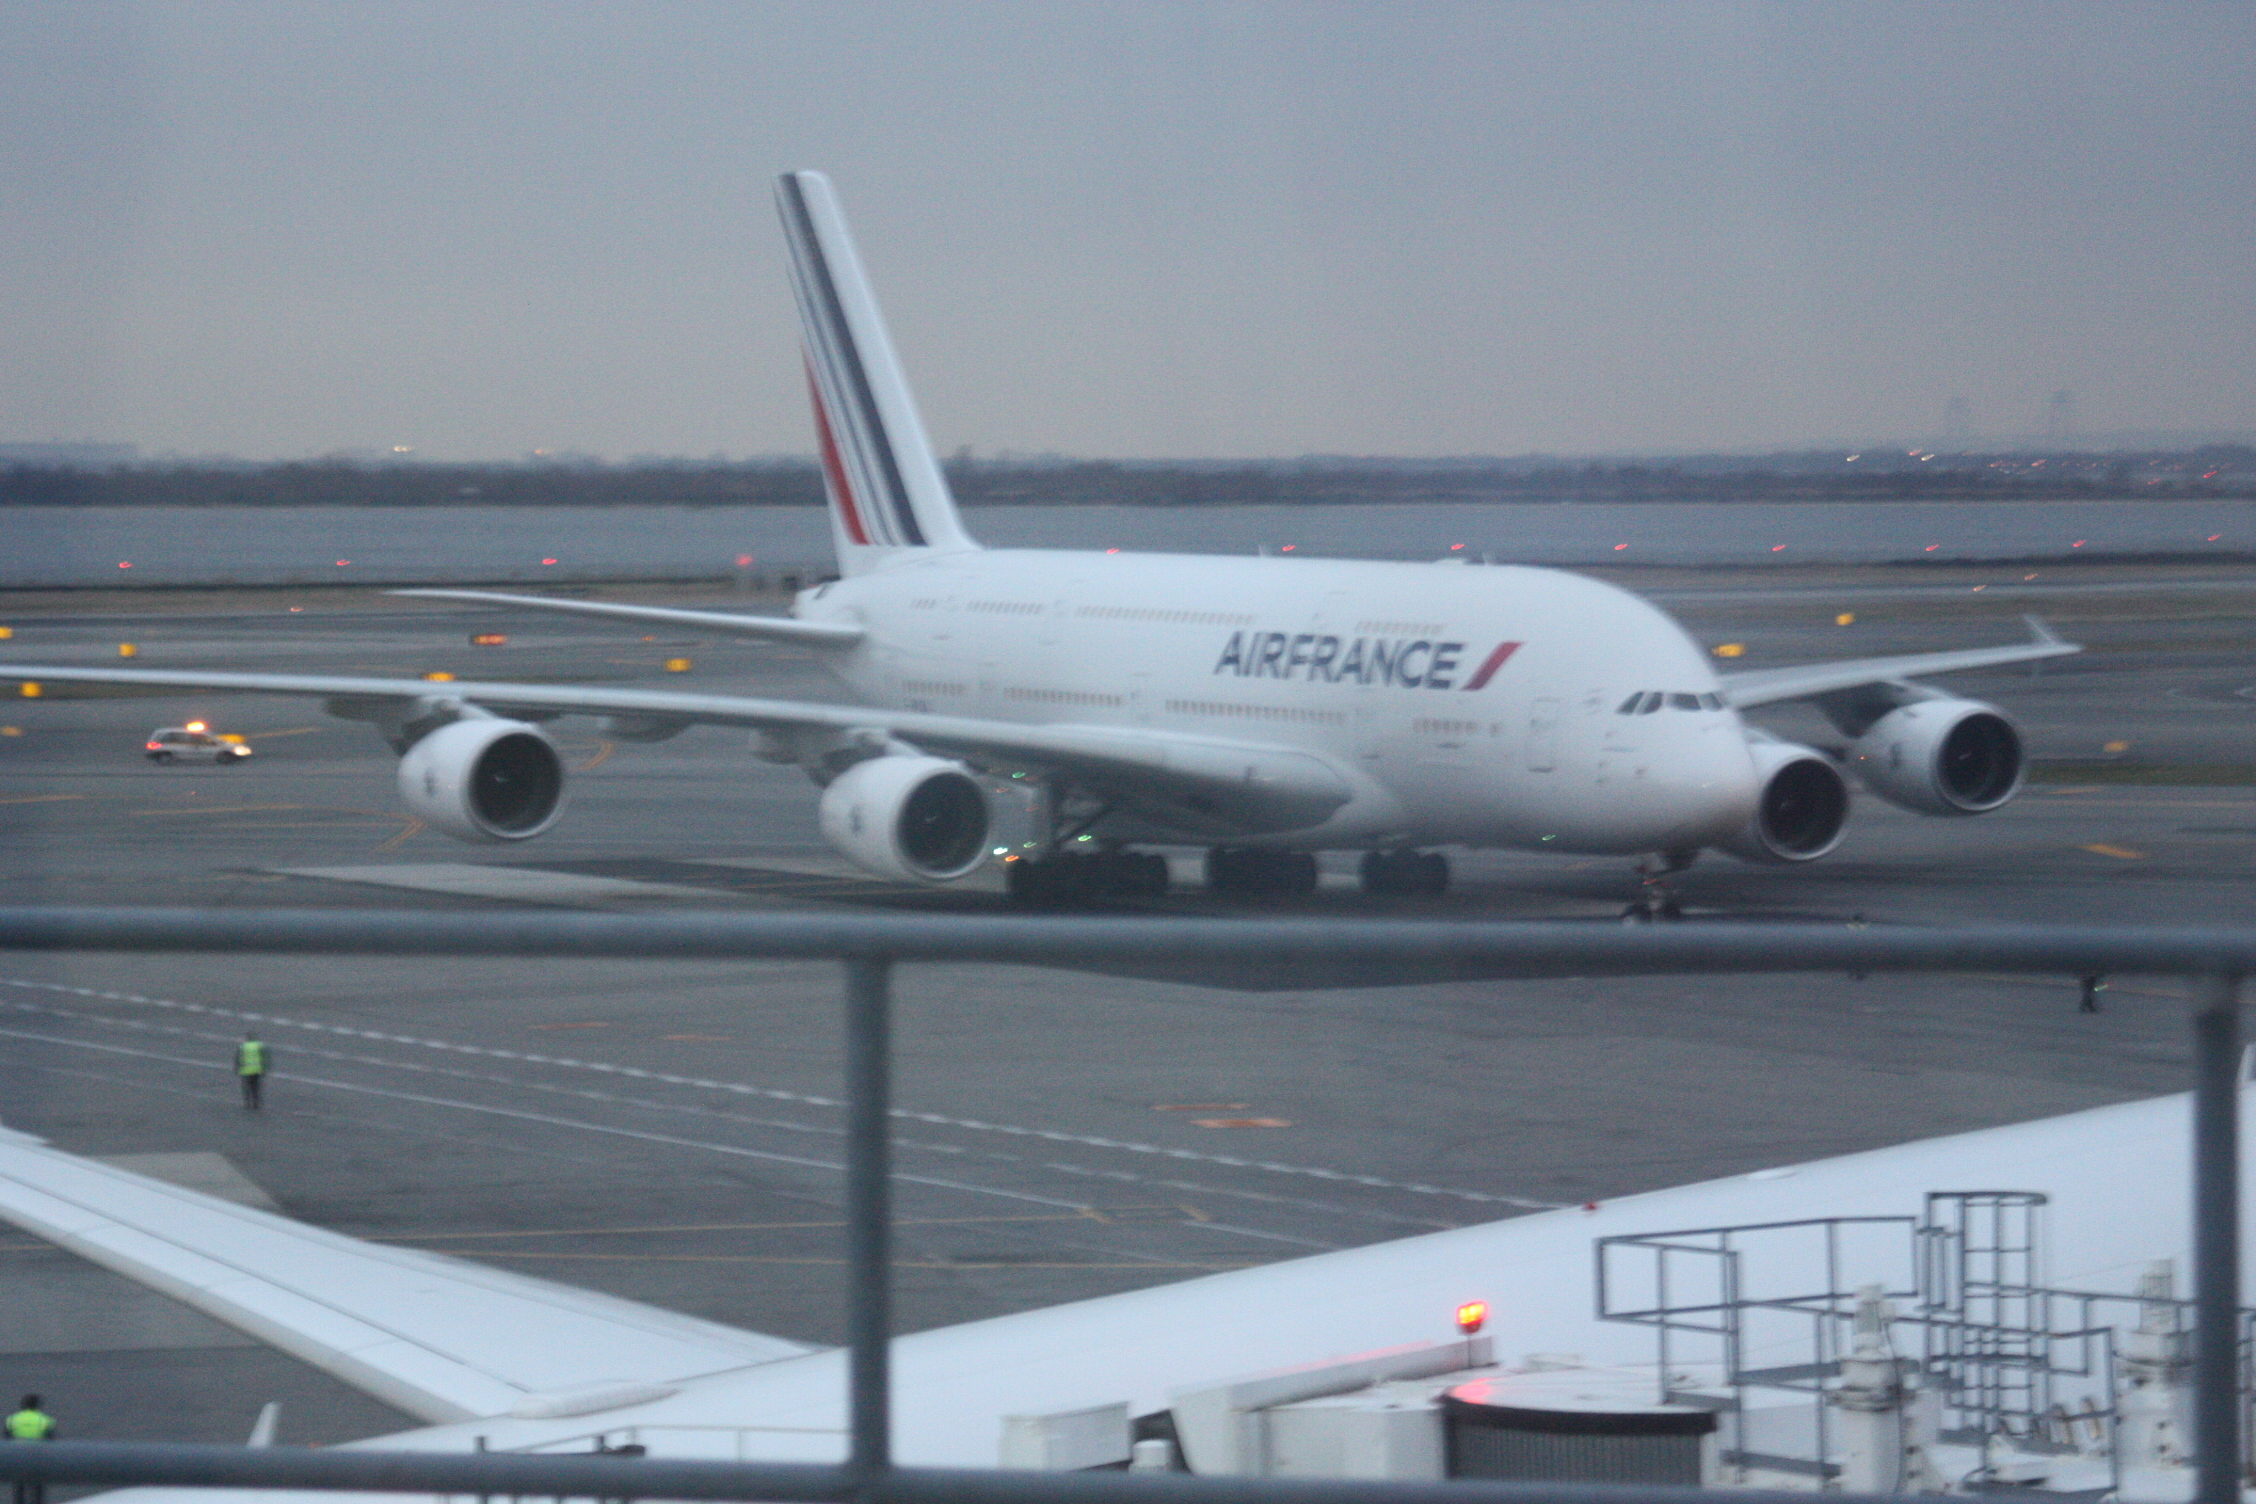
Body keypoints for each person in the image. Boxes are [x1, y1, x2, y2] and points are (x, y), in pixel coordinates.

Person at [6, 1393, 54, 1504]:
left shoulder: (12, 1419)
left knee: (19, 1488)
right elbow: (51, 1440)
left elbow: (7, 1439)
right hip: (38, 1457)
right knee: (38, 1489)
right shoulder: (45, 1420)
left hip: (18, 1457)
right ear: (37, 1405)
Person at [236, 1032, 268, 1110]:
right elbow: (264, 1057)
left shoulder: (243, 1046)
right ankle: (256, 1102)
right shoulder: (259, 1045)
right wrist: (264, 1069)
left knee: (247, 1087)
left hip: (246, 1070)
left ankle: (247, 1103)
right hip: (257, 1069)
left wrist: (237, 1068)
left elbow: (238, 1058)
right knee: (255, 1087)